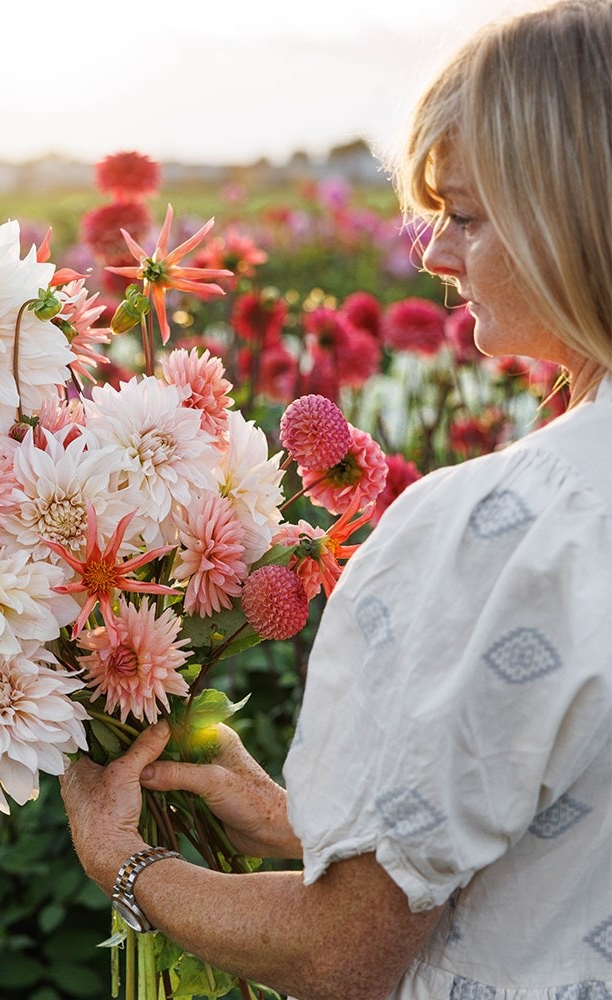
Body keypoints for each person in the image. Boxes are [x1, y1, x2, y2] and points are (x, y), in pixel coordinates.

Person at [58, 1, 612, 996]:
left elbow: (342, 952)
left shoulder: (506, 525)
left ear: (576, 212)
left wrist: (129, 868)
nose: (435, 255)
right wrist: (306, 822)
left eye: (469, 215)